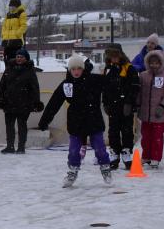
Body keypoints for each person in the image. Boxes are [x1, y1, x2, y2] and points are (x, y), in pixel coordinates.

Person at [37, 53, 112, 187]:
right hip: (76, 122)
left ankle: (105, 168)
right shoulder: (66, 85)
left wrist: (114, 68)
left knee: (100, 148)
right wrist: (44, 121)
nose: (76, 72)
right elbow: (54, 103)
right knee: (74, 151)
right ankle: (72, 171)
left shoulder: (93, 80)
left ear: (83, 69)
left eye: (79, 68)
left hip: (93, 119)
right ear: (69, 70)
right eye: (73, 69)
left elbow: (110, 82)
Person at [0, 48, 42, 154]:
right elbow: (2, 85)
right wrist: (0, 98)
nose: (19, 58)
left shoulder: (30, 70)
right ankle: (10, 146)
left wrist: (36, 101)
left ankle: (21, 147)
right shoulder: (9, 68)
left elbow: (35, 87)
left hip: (24, 104)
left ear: (26, 58)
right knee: (9, 126)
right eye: (18, 56)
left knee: (22, 126)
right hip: (9, 103)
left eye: (21, 57)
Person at [101, 44, 139, 168]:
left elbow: (134, 87)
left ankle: (127, 152)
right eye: (111, 55)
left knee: (127, 131)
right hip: (113, 107)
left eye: (116, 54)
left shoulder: (129, 68)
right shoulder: (107, 69)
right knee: (113, 131)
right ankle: (114, 153)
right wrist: (105, 103)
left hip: (126, 107)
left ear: (121, 55)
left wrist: (129, 102)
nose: (114, 57)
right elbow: (104, 88)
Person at [136, 49, 164, 169]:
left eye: (156, 63)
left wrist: (163, 106)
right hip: (145, 113)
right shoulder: (143, 76)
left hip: (159, 113)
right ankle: (146, 156)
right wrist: (137, 105)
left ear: (161, 63)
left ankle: (155, 158)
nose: (154, 65)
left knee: (157, 137)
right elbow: (139, 93)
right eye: (151, 62)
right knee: (145, 137)